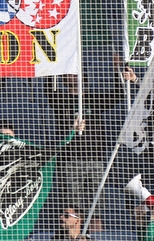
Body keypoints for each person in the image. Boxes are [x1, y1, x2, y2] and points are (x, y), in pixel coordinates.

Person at [47, 63, 136, 230]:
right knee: (73, 208)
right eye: (69, 73)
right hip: (70, 161)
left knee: (96, 208)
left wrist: (117, 69)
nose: (73, 76)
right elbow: (48, 89)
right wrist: (55, 64)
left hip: (95, 159)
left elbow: (117, 95)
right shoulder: (60, 100)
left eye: (76, 73)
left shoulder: (93, 98)